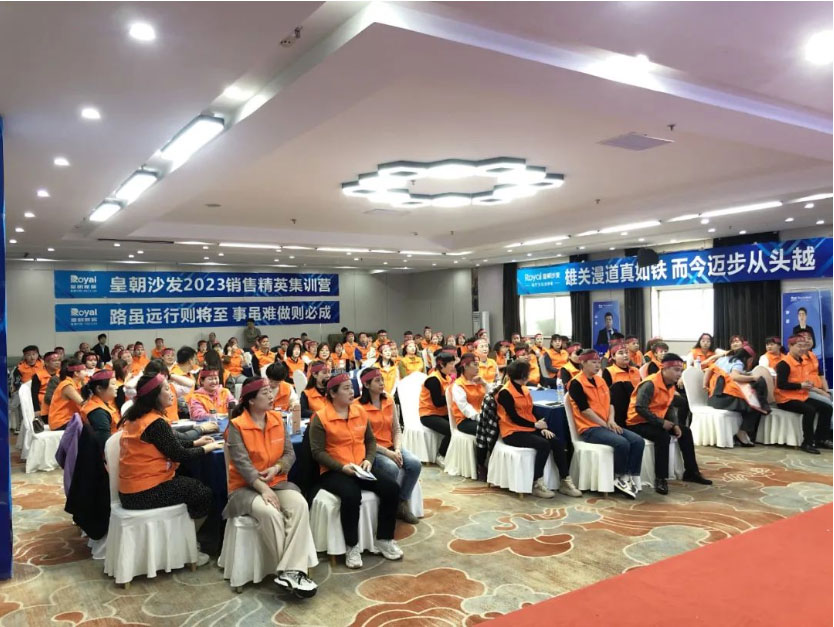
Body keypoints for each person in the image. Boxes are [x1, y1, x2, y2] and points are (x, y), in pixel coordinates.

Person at [224, 377, 318, 597]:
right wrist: (263, 489)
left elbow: (289, 453)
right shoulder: (237, 426)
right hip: (245, 488)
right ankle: (290, 571)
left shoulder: (277, 418)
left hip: (277, 482)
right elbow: (242, 465)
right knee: (270, 512)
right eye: (265, 393)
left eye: (270, 391)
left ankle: (289, 572)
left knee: (300, 505)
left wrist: (277, 468)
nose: (271, 395)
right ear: (251, 401)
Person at [117, 373, 223, 567]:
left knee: (190, 480)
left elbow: (168, 444)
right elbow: (179, 454)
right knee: (203, 493)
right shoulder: (155, 423)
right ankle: (188, 544)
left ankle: (184, 538)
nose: (171, 392)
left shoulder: (139, 417)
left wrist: (195, 442)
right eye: (166, 388)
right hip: (143, 492)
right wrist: (208, 448)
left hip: (131, 489)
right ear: (154, 396)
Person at [309, 373, 403, 568]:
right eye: (346, 388)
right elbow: (317, 452)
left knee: (391, 488)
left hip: (360, 467)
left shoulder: (359, 411)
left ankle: (384, 539)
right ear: (333, 393)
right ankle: (352, 546)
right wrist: (341, 467)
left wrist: (368, 460)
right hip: (334, 470)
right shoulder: (320, 418)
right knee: (351, 494)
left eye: (351, 387)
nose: (352, 391)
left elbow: (370, 441)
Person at [625, 353, 712, 495]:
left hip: (655, 420)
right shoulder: (650, 384)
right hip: (637, 422)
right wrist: (661, 423)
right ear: (664, 369)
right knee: (662, 436)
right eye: (676, 370)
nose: (679, 374)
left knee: (686, 432)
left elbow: (669, 406)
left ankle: (691, 472)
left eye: (681, 370)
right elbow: (640, 408)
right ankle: (661, 478)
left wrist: (675, 424)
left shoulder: (670, 385)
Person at [496, 360, 581, 498]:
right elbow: (514, 417)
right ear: (523, 375)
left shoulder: (524, 389)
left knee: (556, 441)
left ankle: (565, 481)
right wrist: (535, 426)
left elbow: (532, 411)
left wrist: (541, 427)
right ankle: (537, 483)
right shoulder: (505, 392)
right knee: (543, 444)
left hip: (528, 428)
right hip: (512, 432)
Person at [568, 350, 643, 498]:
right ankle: (619, 476)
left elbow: (610, 403)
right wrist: (604, 424)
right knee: (622, 443)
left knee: (637, 441)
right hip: (590, 428)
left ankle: (628, 476)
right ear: (583, 363)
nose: (597, 366)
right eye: (593, 362)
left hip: (607, 424)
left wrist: (611, 420)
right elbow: (585, 411)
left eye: (598, 362)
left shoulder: (600, 381)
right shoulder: (576, 383)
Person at [357, 368, 421, 524]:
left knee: (415, 464)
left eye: (382, 379)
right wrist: (388, 453)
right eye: (377, 381)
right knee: (391, 468)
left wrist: (397, 449)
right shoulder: (358, 406)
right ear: (366, 385)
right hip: (373, 449)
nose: (382, 383)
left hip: (392, 446)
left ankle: (401, 502)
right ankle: (387, 503)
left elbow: (396, 429)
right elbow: (364, 439)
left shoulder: (389, 400)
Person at [774, 335, 832, 454]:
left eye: (804, 346)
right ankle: (807, 443)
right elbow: (781, 384)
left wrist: (808, 385)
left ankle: (821, 438)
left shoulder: (802, 361)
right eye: (799, 346)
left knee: (827, 408)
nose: (802, 349)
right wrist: (800, 385)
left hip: (800, 396)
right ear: (790, 346)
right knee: (809, 410)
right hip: (785, 399)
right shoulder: (784, 363)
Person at [704, 346, 769, 447]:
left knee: (748, 403)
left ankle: (739, 433)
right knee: (755, 407)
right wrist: (753, 378)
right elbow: (735, 376)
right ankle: (742, 432)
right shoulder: (738, 363)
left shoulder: (722, 359)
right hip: (724, 398)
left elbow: (708, 370)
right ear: (749, 359)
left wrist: (704, 385)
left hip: (713, 398)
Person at [419, 351, 457, 468]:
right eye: (451, 364)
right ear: (441, 364)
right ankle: (440, 454)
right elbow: (438, 402)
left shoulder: (447, 377)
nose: (453, 366)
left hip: (442, 412)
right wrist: (454, 396)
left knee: (460, 424)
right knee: (450, 429)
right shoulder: (433, 379)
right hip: (429, 414)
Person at [602, 341, 642, 427]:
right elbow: (607, 396)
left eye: (626, 352)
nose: (625, 355)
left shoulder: (636, 370)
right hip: (618, 410)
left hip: (635, 408)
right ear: (613, 357)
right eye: (621, 353)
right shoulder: (608, 371)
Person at [80, 370, 120, 449]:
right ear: (99, 388)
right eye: (113, 384)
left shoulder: (104, 405)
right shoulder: (98, 412)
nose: (117, 387)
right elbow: (105, 443)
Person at [451, 354, 486, 437]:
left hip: (480, 415)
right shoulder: (458, 385)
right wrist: (480, 418)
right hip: (465, 420)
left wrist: (485, 384)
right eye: (475, 365)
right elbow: (465, 407)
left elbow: (491, 397)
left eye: (478, 365)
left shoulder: (478, 380)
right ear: (465, 366)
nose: (478, 367)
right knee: (488, 429)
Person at [48, 358, 86, 431]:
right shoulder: (67, 385)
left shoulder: (77, 383)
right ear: (76, 373)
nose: (86, 373)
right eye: (84, 370)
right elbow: (83, 403)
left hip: (71, 419)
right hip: (61, 422)